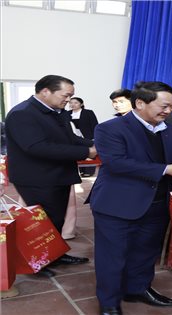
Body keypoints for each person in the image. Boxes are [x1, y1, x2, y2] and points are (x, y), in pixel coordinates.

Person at [90, 81, 172, 315]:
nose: (169, 111)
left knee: (146, 251)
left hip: (157, 201)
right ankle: (109, 302)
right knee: (112, 256)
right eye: (164, 106)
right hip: (117, 203)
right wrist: (167, 170)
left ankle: (138, 288)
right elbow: (116, 164)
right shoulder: (110, 129)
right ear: (140, 103)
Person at [5, 75, 96, 278]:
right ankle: (37, 262)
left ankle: (54, 254)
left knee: (56, 219)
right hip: (37, 177)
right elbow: (37, 147)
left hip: (58, 174)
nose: (68, 99)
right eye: (66, 95)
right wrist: (85, 153)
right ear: (46, 91)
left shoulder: (55, 112)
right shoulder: (23, 113)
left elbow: (69, 138)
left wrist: (93, 144)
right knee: (40, 222)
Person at [67, 97, 98, 177]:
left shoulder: (88, 112)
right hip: (74, 138)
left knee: (89, 153)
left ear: (81, 104)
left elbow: (95, 125)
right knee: (79, 153)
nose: (72, 104)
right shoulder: (66, 113)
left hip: (87, 137)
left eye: (75, 103)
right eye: (71, 103)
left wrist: (95, 137)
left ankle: (89, 172)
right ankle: (80, 171)